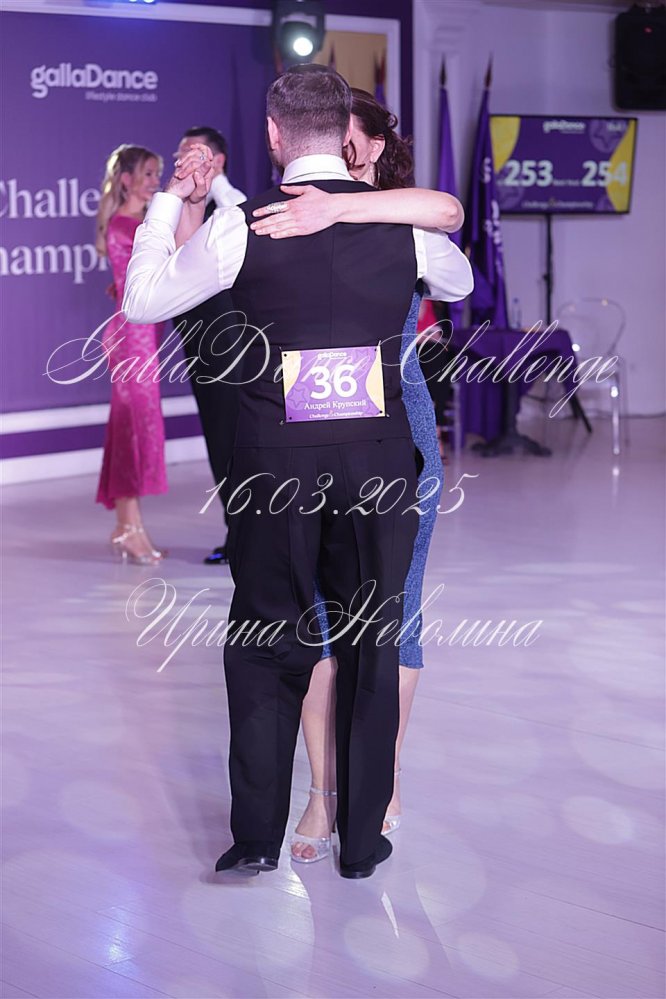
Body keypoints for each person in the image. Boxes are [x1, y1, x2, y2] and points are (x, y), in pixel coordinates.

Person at [122, 65, 473, 879]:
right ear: (344, 134)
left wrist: (170, 201)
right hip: (377, 462)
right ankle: (362, 842)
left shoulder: (243, 228)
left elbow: (143, 301)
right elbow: (457, 279)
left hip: (275, 465)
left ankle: (256, 836)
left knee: (264, 636)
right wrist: (372, 209)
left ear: (274, 134)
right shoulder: (401, 227)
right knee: (371, 639)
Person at [248, 89, 459, 863]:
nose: (326, 150)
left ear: (368, 147)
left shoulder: (401, 220)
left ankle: (381, 778)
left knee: (390, 620)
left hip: (393, 434)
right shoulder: (284, 213)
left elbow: (449, 217)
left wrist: (343, 208)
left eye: (345, 136)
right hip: (303, 439)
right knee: (316, 620)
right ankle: (322, 791)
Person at [171, 128, 246, 566]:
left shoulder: (233, 205)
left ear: (216, 161)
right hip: (198, 345)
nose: (180, 159)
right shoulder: (179, 207)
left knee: (236, 439)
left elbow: (240, 217)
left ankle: (249, 537)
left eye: (192, 153)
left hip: (235, 346)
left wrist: (213, 183)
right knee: (218, 440)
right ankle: (236, 533)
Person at [95, 144, 168, 565]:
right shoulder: (128, 225)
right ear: (127, 179)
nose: (155, 180)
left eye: (157, 173)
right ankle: (128, 528)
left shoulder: (138, 223)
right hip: (131, 340)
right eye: (148, 173)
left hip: (142, 338)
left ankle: (130, 525)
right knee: (130, 429)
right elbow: (141, 283)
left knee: (136, 427)